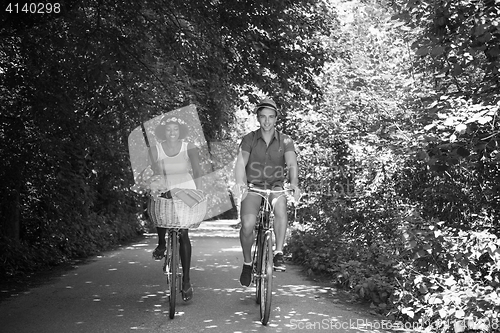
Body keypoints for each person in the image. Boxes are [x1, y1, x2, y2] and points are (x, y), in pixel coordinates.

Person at [234, 98, 301, 287]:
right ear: (258, 118)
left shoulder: (285, 140)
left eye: (271, 117)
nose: (267, 121)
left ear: (276, 118)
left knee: (280, 208)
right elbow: (241, 163)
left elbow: (292, 164)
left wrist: (294, 184)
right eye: (263, 117)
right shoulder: (249, 139)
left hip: (275, 186)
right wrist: (240, 183)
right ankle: (248, 263)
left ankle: (278, 253)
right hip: (253, 186)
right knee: (247, 225)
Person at [147, 115, 203, 302]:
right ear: (164, 131)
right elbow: (154, 171)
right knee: (161, 209)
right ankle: (162, 243)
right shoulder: (156, 149)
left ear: (180, 131)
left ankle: (186, 280)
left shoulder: (189, 147)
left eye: (175, 129)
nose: (172, 132)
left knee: (184, 233)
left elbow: (196, 170)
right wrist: (158, 186)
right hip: (165, 184)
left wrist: (200, 190)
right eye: (169, 129)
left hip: (186, 187)